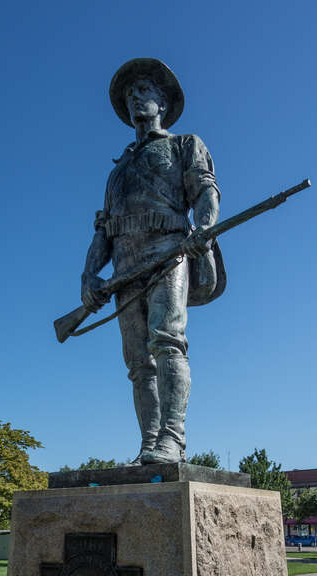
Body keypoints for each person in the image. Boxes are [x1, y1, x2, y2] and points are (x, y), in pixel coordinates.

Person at [81, 58, 226, 464]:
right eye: (129, 95)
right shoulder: (117, 171)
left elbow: (205, 194)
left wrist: (204, 228)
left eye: (143, 91)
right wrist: (89, 273)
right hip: (124, 271)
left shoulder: (184, 145)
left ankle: (172, 438)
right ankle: (149, 443)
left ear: (162, 101)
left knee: (167, 340)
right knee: (138, 364)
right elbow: (103, 231)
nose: (134, 99)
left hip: (168, 255)